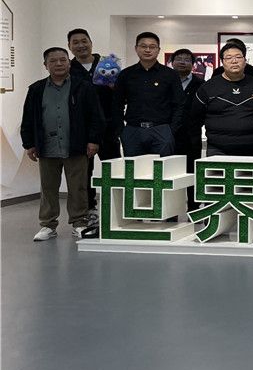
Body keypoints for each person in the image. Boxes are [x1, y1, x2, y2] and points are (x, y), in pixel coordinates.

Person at [21, 48, 104, 241]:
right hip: (47, 146)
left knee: (78, 187)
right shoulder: (36, 89)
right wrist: (29, 144)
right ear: (45, 65)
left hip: (75, 145)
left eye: (62, 60)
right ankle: (48, 225)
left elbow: (95, 116)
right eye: (53, 61)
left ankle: (79, 223)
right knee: (48, 188)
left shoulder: (83, 87)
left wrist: (93, 140)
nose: (58, 64)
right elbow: (28, 118)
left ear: (69, 62)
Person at [67, 27, 121, 229]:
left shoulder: (108, 64)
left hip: (108, 128)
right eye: (75, 42)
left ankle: (117, 209)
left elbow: (122, 96)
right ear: (69, 46)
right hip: (80, 130)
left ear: (91, 42)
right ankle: (88, 211)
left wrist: (115, 87)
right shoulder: (68, 69)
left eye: (84, 41)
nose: (81, 45)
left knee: (113, 170)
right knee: (82, 174)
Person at [114, 31, 184, 156]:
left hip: (162, 130)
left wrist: (171, 130)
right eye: (143, 46)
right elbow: (116, 104)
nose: (147, 50)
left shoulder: (170, 74)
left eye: (152, 47)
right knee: (134, 168)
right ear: (136, 48)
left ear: (158, 50)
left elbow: (179, 105)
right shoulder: (126, 74)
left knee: (162, 167)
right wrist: (121, 130)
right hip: (133, 130)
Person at [190, 42, 253, 156]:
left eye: (238, 57)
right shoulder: (208, 87)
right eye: (229, 58)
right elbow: (195, 119)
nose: (234, 61)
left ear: (245, 61)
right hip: (217, 149)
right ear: (222, 62)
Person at [169, 48, 204, 207]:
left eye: (187, 60)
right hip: (168, 135)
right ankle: (171, 212)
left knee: (192, 173)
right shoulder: (166, 81)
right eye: (179, 59)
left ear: (193, 64)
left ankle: (193, 210)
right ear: (172, 62)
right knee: (170, 174)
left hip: (192, 136)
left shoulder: (201, 84)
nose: (182, 62)